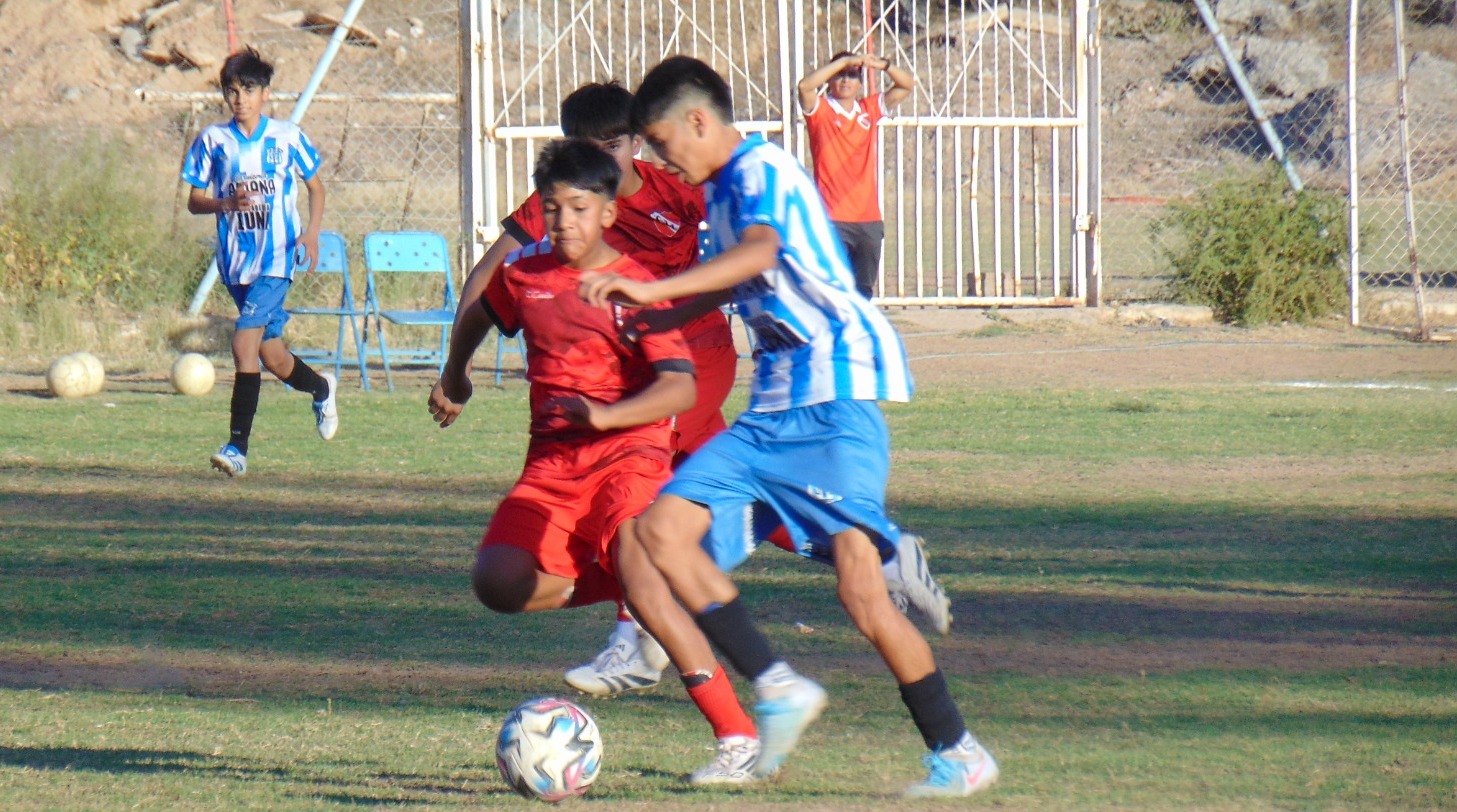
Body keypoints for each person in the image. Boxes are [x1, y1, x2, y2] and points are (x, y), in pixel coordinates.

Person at [442, 81, 952, 700]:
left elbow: (758, 242)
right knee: (730, 500)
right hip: (628, 366)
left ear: (637, 142)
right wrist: (455, 371)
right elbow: (493, 273)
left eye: (619, 143)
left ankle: (639, 636)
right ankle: (882, 550)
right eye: (589, 145)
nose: (608, 158)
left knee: (657, 502)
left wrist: (665, 300)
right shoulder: (566, 199)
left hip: (687, 356)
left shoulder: (680, 190)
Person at [577, 56, 998, 798]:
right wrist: (635, 316)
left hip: (833, 392)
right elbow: (724, 290)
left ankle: (957, 751)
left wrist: (651, 286)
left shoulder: (758, 170)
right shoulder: (719, 196)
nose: (656, 155)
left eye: (661, 139)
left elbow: (762, 253)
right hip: (773, 404)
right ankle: (776, 687)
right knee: (657, 535)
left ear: (699, 121)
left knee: (862, 594)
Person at [427, 138, 761, 785]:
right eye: (551, 209)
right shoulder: (525, 273)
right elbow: (479, 313)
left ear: (607, 212)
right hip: (551, 469)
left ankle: (735, 735)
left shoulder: (632, 286)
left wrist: (606, 416)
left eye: (578, 209)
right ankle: (633, 580)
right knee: (497, 584)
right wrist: (455, 375)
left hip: (628, 456)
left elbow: (680, 387)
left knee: (641, 572)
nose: (563, 223)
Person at [181, 46, 338, 478]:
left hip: (277, 259)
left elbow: (317, 188)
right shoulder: (213, 142)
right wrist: (225, 202)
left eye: (248, 89)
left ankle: (237, 449)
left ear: (265, 93)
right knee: (272, 357)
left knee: (241, 346)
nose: (240, 98)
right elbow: (195, 202)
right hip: (236, 265)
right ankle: (321, 388)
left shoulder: (287, 137)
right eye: (232, 91)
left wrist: (310, 232)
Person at [797, 51, 915, 299]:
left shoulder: (867, 109)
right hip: (833, 219)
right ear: (830, 80)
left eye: (852, 75)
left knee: (862, 293)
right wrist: (841, 62)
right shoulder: (821, 111)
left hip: (868, 219)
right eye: (840, 75)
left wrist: (882, 64)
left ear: (860, 83)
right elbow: (805, 87)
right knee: (832, 291)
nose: (846, 80)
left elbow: (906, 84)